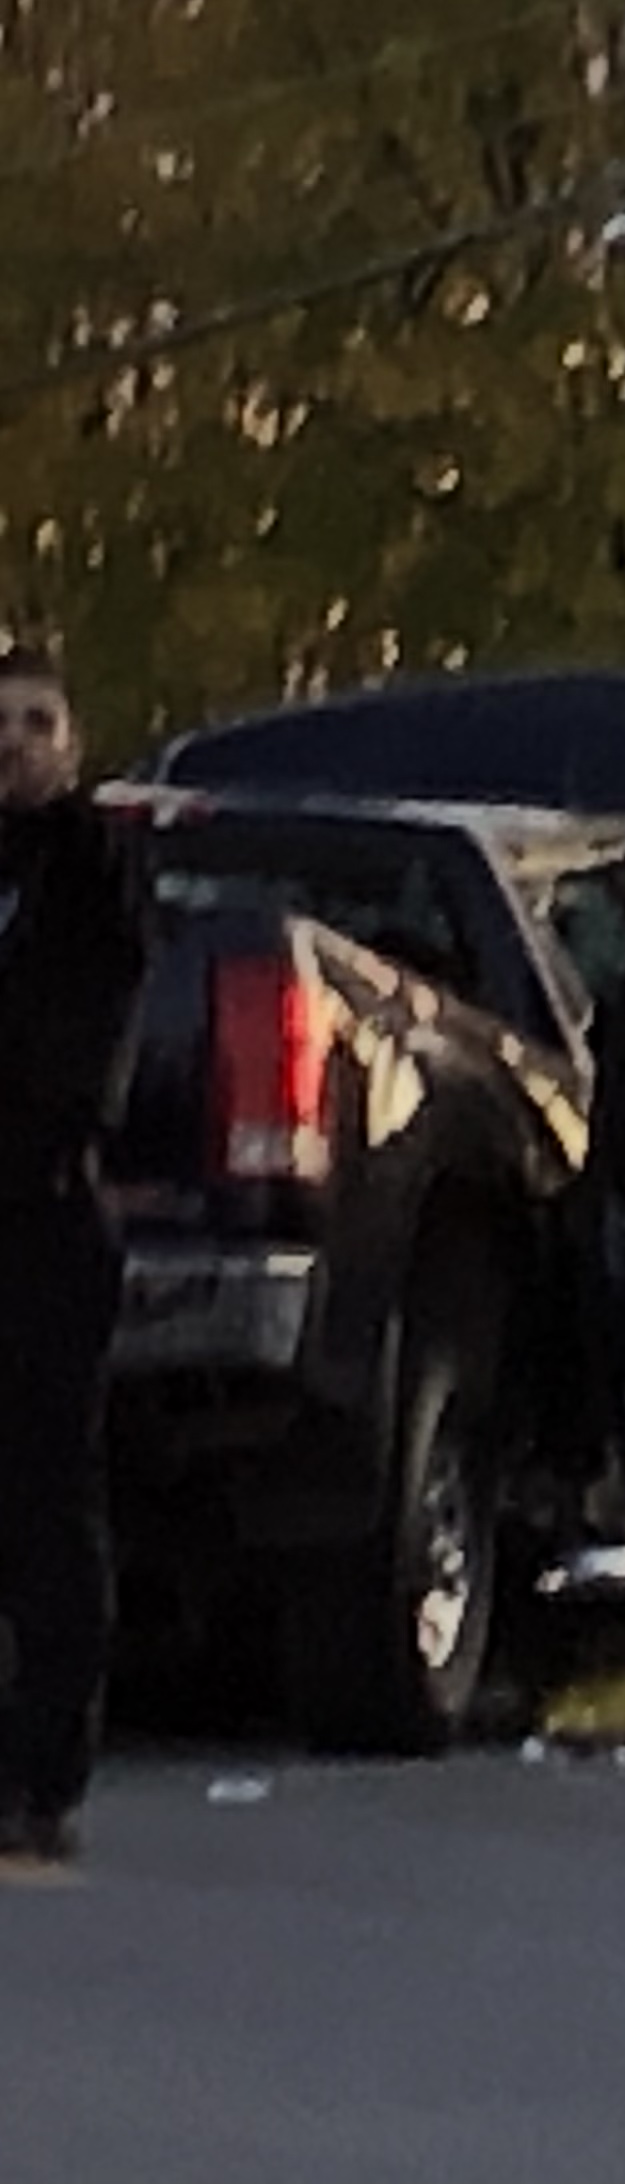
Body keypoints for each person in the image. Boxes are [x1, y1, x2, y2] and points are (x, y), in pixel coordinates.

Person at [0, 637, 146, 1869]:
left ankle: (46, 1778)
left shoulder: (94, 872)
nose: (15, 744)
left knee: (48, 1495)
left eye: (38, 723)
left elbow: (88, 1036)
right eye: (1, 725)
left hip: (48, 1215)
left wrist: (46, 1125)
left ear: (72, 742)